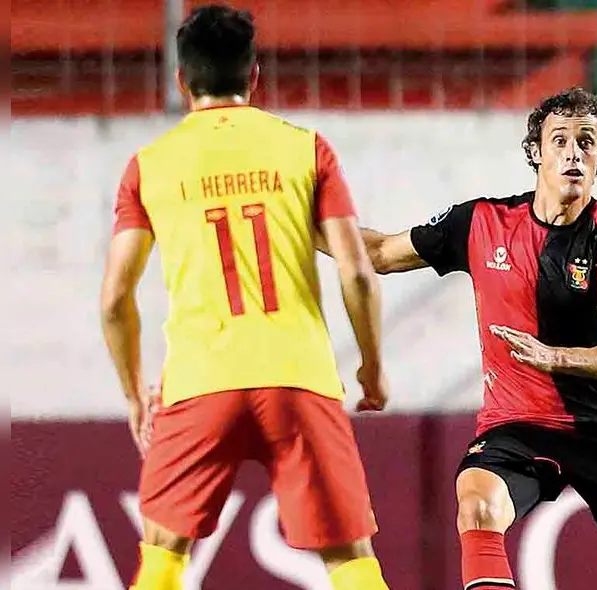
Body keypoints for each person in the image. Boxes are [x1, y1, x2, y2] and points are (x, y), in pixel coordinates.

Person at [348, 88, 597, 590]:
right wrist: (294, 221)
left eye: (587, 142)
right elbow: (379, 253)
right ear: (536, 152)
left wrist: (551, 356)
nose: (574, 152)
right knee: (478, 499)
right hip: (517, 424)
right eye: (560, 140)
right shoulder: (481, 223)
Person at [99, 5, 391, 589]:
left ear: (182, 81)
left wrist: (135, 394)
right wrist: (371, 370)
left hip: (199, 380)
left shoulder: (148, 167)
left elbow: (113, 300)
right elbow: (357, 270)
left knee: (162, 555)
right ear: (254, 75)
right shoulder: (306, 149)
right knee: (350, 560)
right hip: (299, 377)